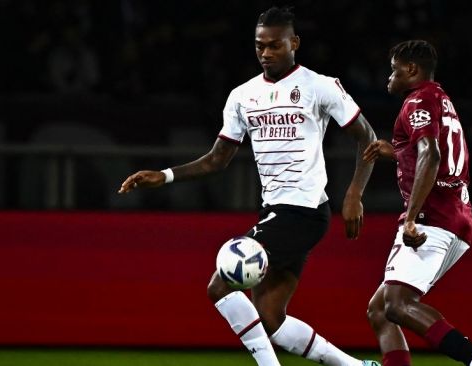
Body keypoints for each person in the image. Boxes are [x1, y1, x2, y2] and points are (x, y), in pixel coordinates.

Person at [118, 6, 379, 366]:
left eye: (275, 46)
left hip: (303, 210)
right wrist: (165, 175)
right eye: (260, 46)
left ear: (294, 43)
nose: (266, 53)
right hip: (275, 211)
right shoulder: (242, 96)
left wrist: (354, 194)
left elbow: (367, 137)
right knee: (271, 319)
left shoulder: (319, 86)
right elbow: (216, 159)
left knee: (219, 284)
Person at [363, 40, 472, 366]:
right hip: (459, 215)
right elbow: (430, 152)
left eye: (394, 70)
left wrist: (412, 217)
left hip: (433, 217)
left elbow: (432, 153)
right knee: (380, 309)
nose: (389, 77)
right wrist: (398, 152)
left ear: (412, 70)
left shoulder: (416, 101)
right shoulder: (441, 99)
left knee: (397, 305)